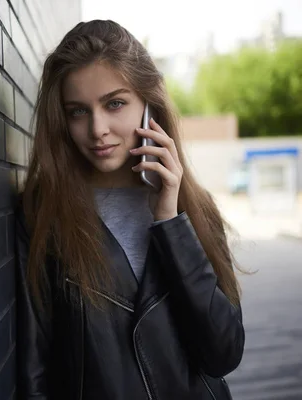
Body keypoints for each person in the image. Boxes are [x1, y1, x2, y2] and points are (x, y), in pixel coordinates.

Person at [15, 20, 245, 400]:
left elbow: (223, 354)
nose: (97, 129)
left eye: (115, 103)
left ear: (148, 105)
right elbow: (35, 371)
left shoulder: (196, 209)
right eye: (77, 111)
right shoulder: (42, 215)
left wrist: (170, 221)